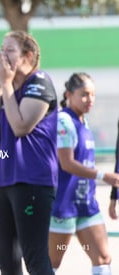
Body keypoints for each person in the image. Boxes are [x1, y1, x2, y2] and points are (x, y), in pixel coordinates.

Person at [0, 30, 58, 275]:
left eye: (9, 51)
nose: (2, 56)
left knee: (34, 258)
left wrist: (5, 84)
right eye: (1, 50)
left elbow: (21, 126)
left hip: (33, 181)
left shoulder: (40, 82)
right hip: (5, 180)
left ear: (28, 56)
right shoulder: (8, 88)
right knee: (6, 259)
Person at [49, 73, 119, 275]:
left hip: (86, 204)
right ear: (69, 94)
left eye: (93, 95)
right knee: (51, 262)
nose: (90, 100)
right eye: (85, 94)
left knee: (103, 257)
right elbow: (67, 163)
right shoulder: (64, 121)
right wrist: (103, 176)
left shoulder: (84, 122)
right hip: (64, 205)